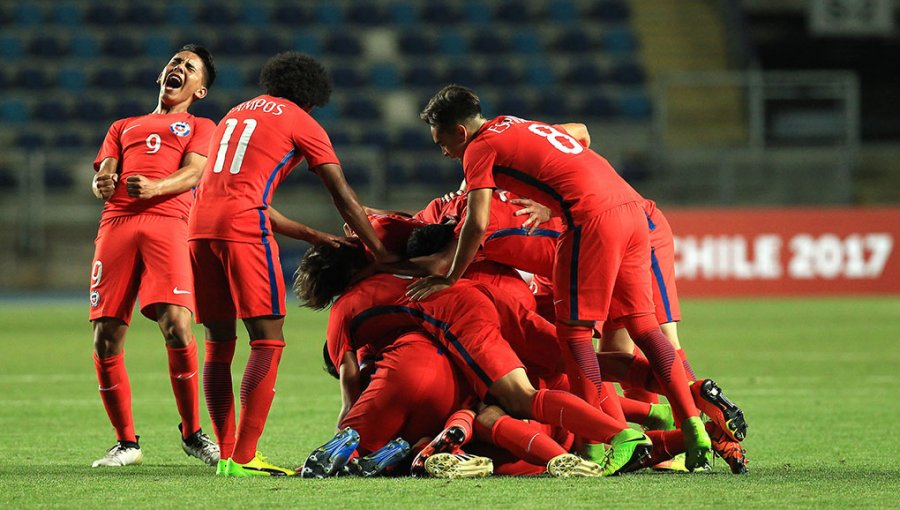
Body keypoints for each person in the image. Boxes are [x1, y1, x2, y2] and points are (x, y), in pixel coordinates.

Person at [410, 85, 712, 470]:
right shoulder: (514, 125)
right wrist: (549, 200)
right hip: (634, 208)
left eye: (442, 142)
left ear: (460, 132)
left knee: (573, 336)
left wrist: (451, 277)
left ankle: (594, 445)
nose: (444, 152)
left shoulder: (478, 150)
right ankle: (694, 427)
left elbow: (477, 222)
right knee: (645, 327)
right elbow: (581, 133)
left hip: (591, 221)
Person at [188, 52, 395, 477]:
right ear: (312, 98)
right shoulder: (302, 121)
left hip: (198, 225)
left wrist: (314, 236)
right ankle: (244, 455)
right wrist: (378, 248)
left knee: (219, 342)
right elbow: (340, 191)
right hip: (243, 229)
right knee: (267, 338)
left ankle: (226, 456)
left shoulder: (235, 112)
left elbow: (238, 193)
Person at [294, 242, 651, 476]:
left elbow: (348, 379)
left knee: (520, 399)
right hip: (489, 296)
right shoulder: (390, 269)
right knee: (575, 358)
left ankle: (622, 435)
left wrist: (347, 427)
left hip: (463, 317)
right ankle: (680, 390)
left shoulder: (343, 309)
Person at [88, 44, 219, 468]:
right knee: (105, 335)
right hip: (117, 226)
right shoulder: (122, 125)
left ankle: (193, 433)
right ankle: (127, 443)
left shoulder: (200, 125)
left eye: (190, 67)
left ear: (200, 89)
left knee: (179, 325)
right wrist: (104, 184)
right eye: (175, 62)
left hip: (169, 223)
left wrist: (157, 188)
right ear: (161, 75)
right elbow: (104, 173)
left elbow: (196, 171)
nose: (178, 68)